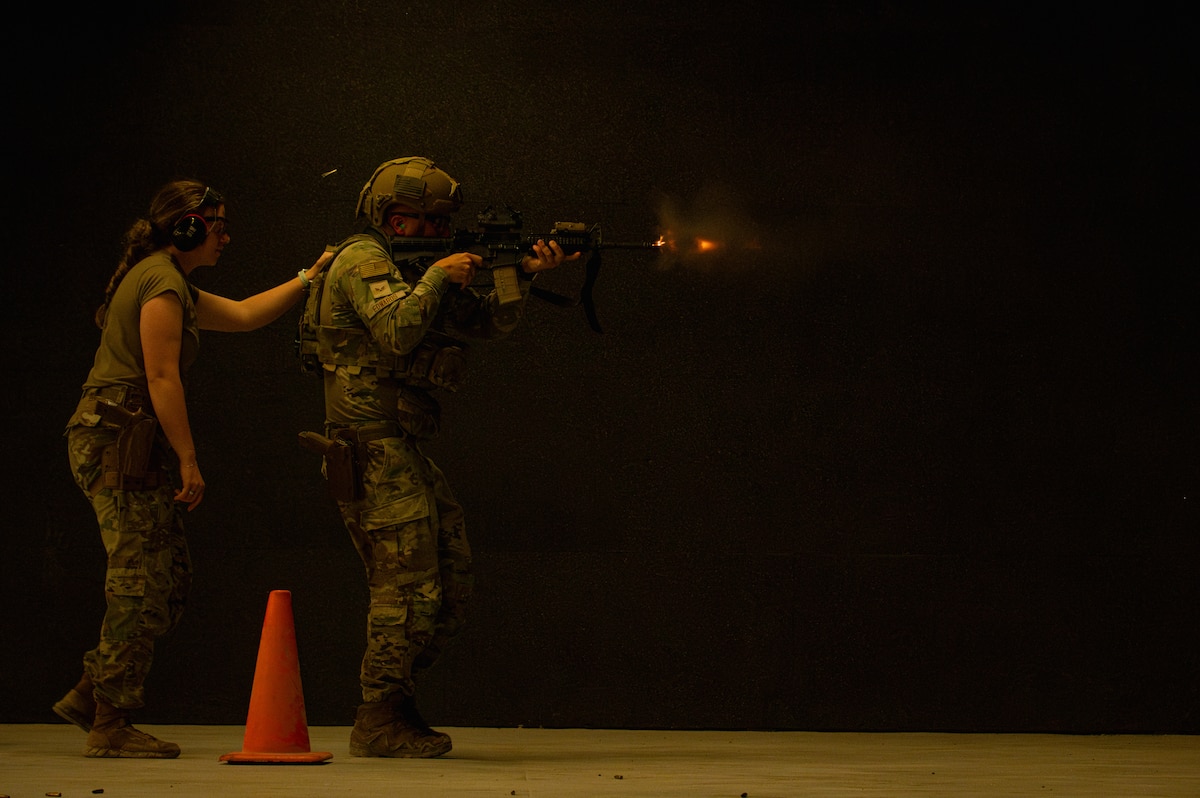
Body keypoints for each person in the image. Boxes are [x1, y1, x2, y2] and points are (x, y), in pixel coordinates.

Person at [305, 156, 579, 758]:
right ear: (383, 216)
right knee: (404, 589)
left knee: (449, 582)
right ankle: (378, 716)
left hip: (399, 448)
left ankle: (393, 701)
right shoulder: (362, 261)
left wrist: (519, 273)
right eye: (414, 222)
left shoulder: (416, 269)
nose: (428, 234)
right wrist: (437, 277)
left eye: (437, 224)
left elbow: (487, 326)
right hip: (370, 445)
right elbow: (398, 332)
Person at [53, 179, 332, 758]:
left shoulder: (169, 280)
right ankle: (111, 721)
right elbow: (160, 377)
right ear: (185, 227)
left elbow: (246, 314)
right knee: (139, 581)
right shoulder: (160, 281)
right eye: (217, 225)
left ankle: (90, 691)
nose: (225, 236)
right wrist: (188, 457)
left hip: (126, 438)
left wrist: (309, 278)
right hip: (118, 439)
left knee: (168, 581)